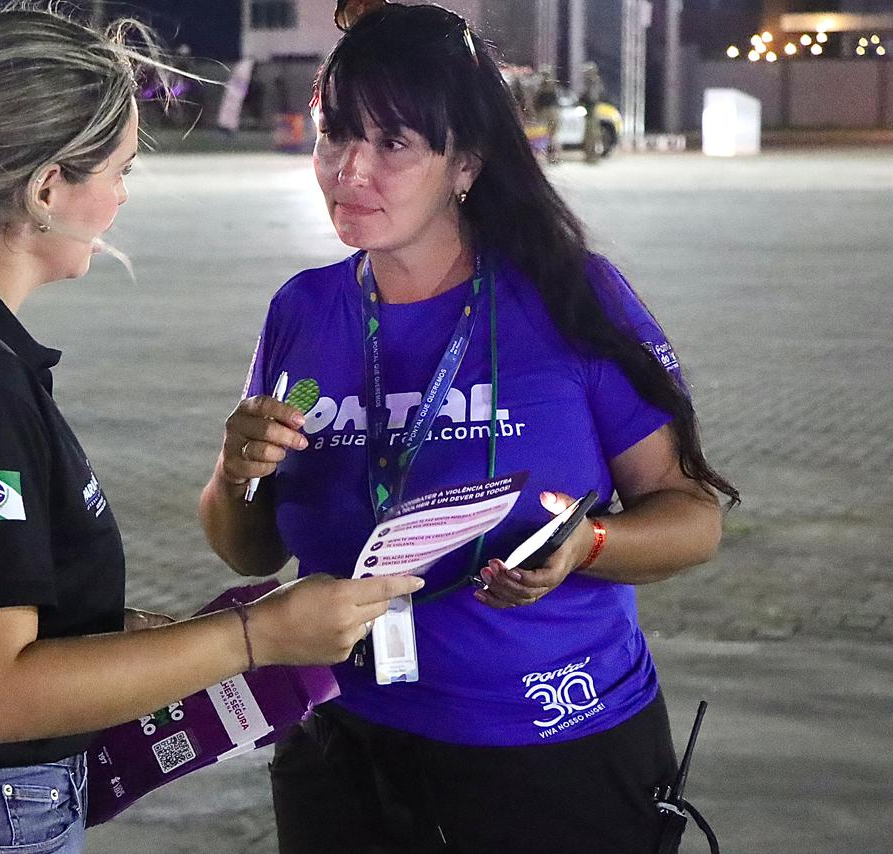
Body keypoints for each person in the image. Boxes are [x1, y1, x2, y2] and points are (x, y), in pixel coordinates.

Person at [0, 9, 420, 854]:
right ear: (45, 190)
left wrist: (127, 635)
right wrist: (257, 638)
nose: (121, 196)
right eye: (120, 168)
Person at [198, 3, 738, 853]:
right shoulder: (303, 310)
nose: (349, 170)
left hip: (553, 745)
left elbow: (691, 514)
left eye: (393, 144)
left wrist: (588, 544)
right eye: (333, 135)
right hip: (346, 743)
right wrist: (234, 475)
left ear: (467, 163)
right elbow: (251, 553)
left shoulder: (571, 297)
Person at [534, 66, 561, 164]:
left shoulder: (542, 89)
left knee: (543, 136)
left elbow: (537, 102)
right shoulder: (553, 87)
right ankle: (555, 157)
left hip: (545, 114)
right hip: (554, 113)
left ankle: (544, 157)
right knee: (553, 136)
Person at [581, 60, 604, 163]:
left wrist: (583, 100)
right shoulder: (593, 82)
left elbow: (592, 98)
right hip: (591, 111)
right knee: (591, 135)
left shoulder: (593, 81)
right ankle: (591, 156)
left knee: (592, 135)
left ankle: (593, 156)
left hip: (592, 111)